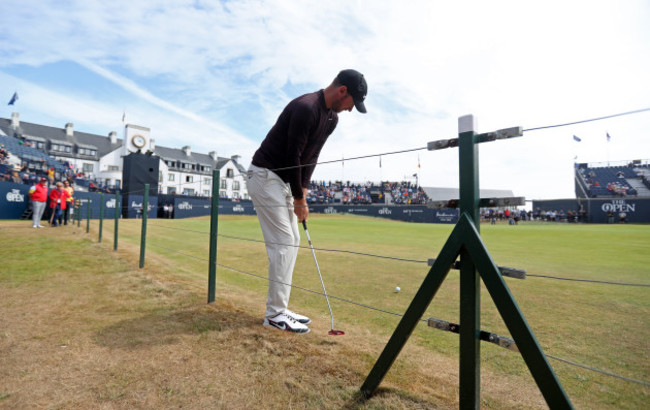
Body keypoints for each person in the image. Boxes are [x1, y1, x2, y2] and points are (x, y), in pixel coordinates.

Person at [247, 69, 368, 334]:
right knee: (284, 243)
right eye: (351, 104)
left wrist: (303, 190)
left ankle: (280, 308)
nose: (350, 110)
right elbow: (293, 155)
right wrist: (299, 199)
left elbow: (311, 156)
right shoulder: (306, 107)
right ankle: (274, 314)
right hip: (265, 176)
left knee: (294, 241)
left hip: (283, 181)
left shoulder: (331, 118)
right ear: (342, 91)